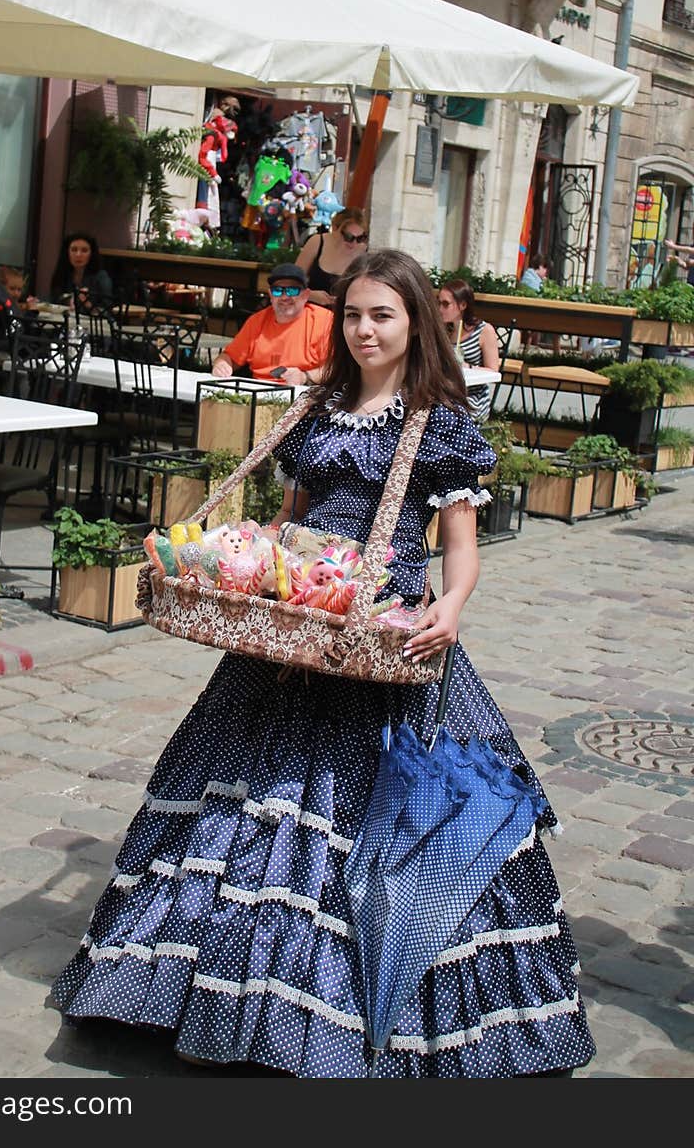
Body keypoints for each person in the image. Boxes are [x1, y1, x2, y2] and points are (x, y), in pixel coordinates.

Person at [51, 248, 593, 1078]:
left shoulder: (437, 421)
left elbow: (461, 548)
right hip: (299, 625)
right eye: (352, 315)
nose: (365, 330)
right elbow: (289, 521)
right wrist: (236, 563)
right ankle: (205, 991)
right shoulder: (320, 406)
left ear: (417, 321)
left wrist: (450, 608)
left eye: (383, 314)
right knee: (243, 801)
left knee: (372, 813)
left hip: (385, 634)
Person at [211, 262, 332, 386]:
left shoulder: (323, 320)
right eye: (278, 291)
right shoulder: (256, 321)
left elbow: (337, 367)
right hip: (258, 390)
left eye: (292, 290)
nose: (284, 297)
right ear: (270, 295)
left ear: (306, 295)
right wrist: (222, 365)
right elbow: (229, 357)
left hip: (305, 392)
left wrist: (305, 376)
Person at [438, 277, 500, 422]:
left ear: (463, 305)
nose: (440, 309)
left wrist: (468, 367)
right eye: (438, 303)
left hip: (472, 398)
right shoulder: (442, 331)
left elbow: (493, 370)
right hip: (444, 393)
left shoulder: (484, 331)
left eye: (445, 304)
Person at [295, 206, 369, 307]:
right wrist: (310, 295)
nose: (354, 243)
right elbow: (292, 282)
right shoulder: (317, 242)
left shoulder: (364, 252)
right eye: (348, 237)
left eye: (360, 238)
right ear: (334, 228)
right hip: (313, 312)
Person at [49, 233, 113, 309]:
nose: (78, 255)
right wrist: (69, 301)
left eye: (84, 250)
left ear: (91, 254)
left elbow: (108, 309)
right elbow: (53, 300)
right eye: (74, 250)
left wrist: (88, 305)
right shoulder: (62, 273)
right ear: (67, 253)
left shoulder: (101, 277)